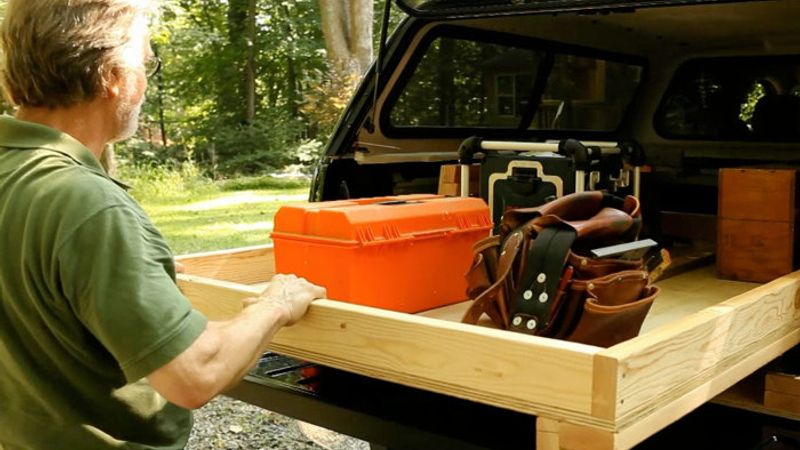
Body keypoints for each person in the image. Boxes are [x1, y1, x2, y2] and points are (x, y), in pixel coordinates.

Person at [0, 0, 326, 449]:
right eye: (147, 60)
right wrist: (275, 304)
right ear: (114, 76)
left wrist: (139, 278)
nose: (146, 80)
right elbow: (194, 376)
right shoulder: (88, 205)